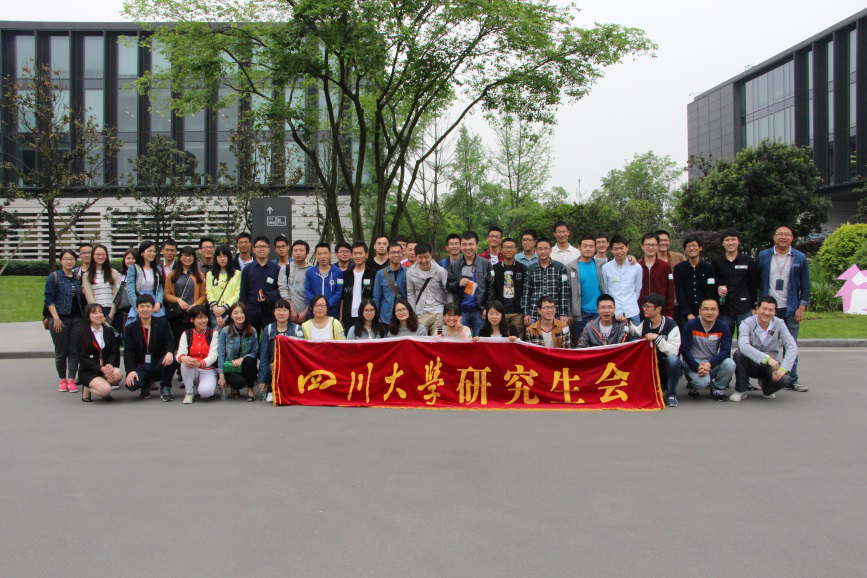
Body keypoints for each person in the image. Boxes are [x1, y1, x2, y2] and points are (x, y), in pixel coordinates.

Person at [756, 223, 810, 392]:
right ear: (774, 237)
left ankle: (792, 379)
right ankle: (763, 376)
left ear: (792, 238)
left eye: (787, 234)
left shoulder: (799, 257)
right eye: (780, 234)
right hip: (767, 309)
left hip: (790, 307)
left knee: (790, 344)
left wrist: (802, 306)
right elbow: (756, 280)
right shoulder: (764, 256)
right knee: (763, 344)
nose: (783, 237)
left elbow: (805, 283)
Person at [731, 296, 799, 401]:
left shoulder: (779, 323)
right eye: (764, 309)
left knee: (786, 379)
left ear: (775, 312)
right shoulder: (746, 323)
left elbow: (792, 346)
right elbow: (743, 346)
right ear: (757, 309)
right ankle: (740, 390)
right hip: (752, 363)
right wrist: (767, 358)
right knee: (738, 354)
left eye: (771, 310)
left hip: (771, 366)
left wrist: (783, 368)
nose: (767, 313)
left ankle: (766, 388)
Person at [626, 293, 682, 407]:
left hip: (666, 365)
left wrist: (657, 338)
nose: (644, 309)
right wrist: (625, 322)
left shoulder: (671, 325)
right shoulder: (646, 322)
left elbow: (674, 351)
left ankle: (671, 394)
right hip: (651, 365)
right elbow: (635, 331)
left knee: (673, 360)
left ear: (658, 309)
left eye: (648, 306)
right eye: (644, 306)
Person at [680, 297, 735, 401]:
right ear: (700, 311)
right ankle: (693, 384)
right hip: (693, 363)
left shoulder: (723, 326)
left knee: (730, 363)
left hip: (710, 363)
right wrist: (697, 367)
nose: (710, 312)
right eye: (706, 309)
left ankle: (717, 389)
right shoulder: (691, 325)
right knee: (702, 383)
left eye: (713, 309)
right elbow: (684, 349)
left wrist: (709, 364)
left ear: (718, 311)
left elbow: (725, 351)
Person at [45, 249, 84, 393]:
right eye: (66, 259)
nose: (69, 261)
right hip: (59, 318)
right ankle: (62, 379)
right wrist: (55, 318)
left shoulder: (77, 278)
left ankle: (72, 379)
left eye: (72, 259)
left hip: (77, 319)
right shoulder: (54, 277)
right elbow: (48, 299)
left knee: (74, 350)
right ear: (61, 261)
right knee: (61, 350)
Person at [123, 294, 175, 401]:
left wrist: (170, 352)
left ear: (153, 308)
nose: (145, 309)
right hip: (141, 365)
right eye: (142, 306)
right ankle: (145, 384)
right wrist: (130, 371)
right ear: (137, 308)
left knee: (172, 359)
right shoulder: (130, 328)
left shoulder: (162, 323)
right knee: (131, 385)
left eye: (148, 306)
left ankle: (165, 387)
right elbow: (128, 352)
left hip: (157, 363)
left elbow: (170, 342)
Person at [712, 228, 759, 338]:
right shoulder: (716, 262)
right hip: (724, 309)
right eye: (727, 240)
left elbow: (753, 285)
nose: (730, 243)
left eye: (733, 239)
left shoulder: (748, 261)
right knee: (724, 340)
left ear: (738, 241)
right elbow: (712, 283)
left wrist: (754, 306)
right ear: (722, 243)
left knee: (745, 340)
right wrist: (717, 288)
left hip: (744, 308)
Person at [445, 231, 491, 336]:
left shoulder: (485, 264)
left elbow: (491, 287)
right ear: (460, 246)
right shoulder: (454, 265)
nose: (468, 248)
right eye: (464, 244)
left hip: (479, 310)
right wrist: (458, 283)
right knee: (461, 340)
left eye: (471, 244)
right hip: (461, 311)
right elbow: (448, 287)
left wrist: (488, 307)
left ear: (477, 245)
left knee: (479, 340)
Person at [164, 246, 207, 358]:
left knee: (193, 342)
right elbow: (166, 294)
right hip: (177, 314)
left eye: (190, 255)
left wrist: (195, 305)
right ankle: (181, 365)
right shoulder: (172, 274)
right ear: (180, 257)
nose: (187, 258)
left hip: (193, 314)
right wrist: (178, 300)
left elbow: (204, 295)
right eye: (185, 255)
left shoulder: (199, 275)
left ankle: (193, 364)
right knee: (180, 343)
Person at [257, 299, 302, 402]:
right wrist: (262, 379)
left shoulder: (297, 329)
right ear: (274, 312)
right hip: (273, 366)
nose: (281, 313)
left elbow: (300, 354)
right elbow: (264, 355)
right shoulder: (268, 329)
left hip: (291, 365)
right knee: (272, 366)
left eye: (285, 310)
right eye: (278, 310)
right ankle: (271, 391)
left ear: (289, 313)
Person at [521, 237, 571, 327]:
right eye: (540, 249)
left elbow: (564, 291)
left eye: (545, 248)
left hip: (555, 314)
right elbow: (526, 293)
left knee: (557, 336)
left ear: (550, 250)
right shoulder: (530, 269)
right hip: (535, 314)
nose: (543, 251)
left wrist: (564, 313)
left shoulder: (560, 267)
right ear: (536, 251)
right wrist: (526, 313)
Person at [77, 303, 123, 401]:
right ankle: (87, 388)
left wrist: (110, 364)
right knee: (106, 390)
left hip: (105, 369)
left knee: (118, 373)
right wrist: (100, 368)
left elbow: (113, 351)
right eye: (95, 313)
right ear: (88, 317)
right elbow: (82, 358)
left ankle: (100, 384)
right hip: (89, 370)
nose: (99, 315)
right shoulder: (82, 333)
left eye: (101, 312)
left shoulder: (109, 331)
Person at [175, 306, 219, 404]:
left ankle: (206, 384)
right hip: (192, 369)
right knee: (184, 361)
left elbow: (213, 356)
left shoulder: (213, 333)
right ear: (192, 320)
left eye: (205, 317)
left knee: (206, 393)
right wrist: (183, 358)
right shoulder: (186, 334)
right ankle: (189, 392)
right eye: (200, 318)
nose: (204, 320)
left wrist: (199, 364)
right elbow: (179, 354)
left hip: (207, 369)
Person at [217, 302, 260, 401]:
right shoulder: (225, 331)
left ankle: (250, 390)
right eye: (235, 313)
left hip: (246, 366)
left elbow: (254, 352)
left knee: (249, 359)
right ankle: (233, 386)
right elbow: (221, 354)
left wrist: (242, 359)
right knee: (239, 382)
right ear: (231, 316)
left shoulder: (252, 331)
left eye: (242, 312)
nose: (239, 315)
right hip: (231, 367)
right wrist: (221, 376)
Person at [567, 235, 604, 344]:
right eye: (585, 246)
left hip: (598, 313)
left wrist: (630, 258)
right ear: (579, 247)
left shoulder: (601, 265)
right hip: (580, 314)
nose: (588, 249)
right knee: (580, 345)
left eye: (591, 246)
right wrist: (569, 312)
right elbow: (567, 292)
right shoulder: (571, 267)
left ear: (595, 248)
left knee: (598, 345)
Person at [240, 235, 281, 333]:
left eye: (264, 246)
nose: (262, 249)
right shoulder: (247, 269)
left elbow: (280, 290)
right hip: (251, 310)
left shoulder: (276, 269)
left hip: (270, 311)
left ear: (269, 250)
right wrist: (243, 310)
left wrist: (267, 297)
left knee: (271, 337)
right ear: (254, 249)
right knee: (250, 337)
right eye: (259, 247)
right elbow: (243, 292)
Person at [407, 242, 450, 336]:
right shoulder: (410, 272)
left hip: (439, 313)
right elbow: (411, 294)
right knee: (420, 339)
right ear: (416, 257)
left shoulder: (441, 271)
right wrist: (412, 313)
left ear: (431, 255)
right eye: (420, 257)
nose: (423, 260)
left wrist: (449, 311)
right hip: (421, 313)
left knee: (438, 338)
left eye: (426, 257)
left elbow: (448, 291)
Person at [673, 236, 717, 326]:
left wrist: (703, 312)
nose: (691, 248)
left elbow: (710, 290)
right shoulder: (679, 269)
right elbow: (679, 291)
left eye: (694, 245)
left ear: (700, 248)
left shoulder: (709, 268)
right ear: (685, 249)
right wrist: (688, 313)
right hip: (685, 313)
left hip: (704, 312)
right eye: (688, 246)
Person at [488, 237, 526, 337]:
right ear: (501, 250)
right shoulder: (495, 268)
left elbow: (525, 290)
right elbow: (492, 289)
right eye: (506, 247)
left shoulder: (522, 268)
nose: (509, 250)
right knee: (501, 339)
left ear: (516, 250)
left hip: (517, 312)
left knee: (517, 340)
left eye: (511, 247)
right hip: (500, 312)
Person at [600, 235, 642, 325]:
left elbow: (638, 289)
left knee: (636, 334)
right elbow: (606, 290)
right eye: (615, 249)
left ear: (627, 248)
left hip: (632, 312)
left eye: (621, 248)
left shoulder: (636, 267)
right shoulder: (606, 267)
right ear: (611, 250)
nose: (619, 251)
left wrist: (631, 302)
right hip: (614, 312)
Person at [340, 241, 377, 332]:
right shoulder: (345, 274)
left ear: (366, 254)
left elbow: (376, 296)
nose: (358, 256)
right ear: (351, 255)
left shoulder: (373, 273)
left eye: (360, 253)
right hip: (349, 316)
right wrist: (341, 317)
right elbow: (342, 298)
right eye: (355, 253)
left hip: (367, 316)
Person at [125, 240, 164, 324]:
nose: (152, 254)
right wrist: (138, 308)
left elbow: (160, 288)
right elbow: (130, 290)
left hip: (154, 303)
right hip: (139, 301)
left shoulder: (158, 269)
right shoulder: (134, 268)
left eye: (154, 251)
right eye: (149, 251)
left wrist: (158, 302)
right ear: (142, 252)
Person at [638, 233, 675, 319]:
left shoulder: (665, 266)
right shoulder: (637, 266)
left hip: (660, 313)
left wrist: (670, 313)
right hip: (640, 313)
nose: (650, 248)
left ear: (658, 246)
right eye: (648, 245)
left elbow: (670, 292)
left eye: (653, 245)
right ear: (642, 246)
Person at [82, 244, 121, 322]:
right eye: (97, 254)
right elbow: (89, 297)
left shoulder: (114, 273)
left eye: (103, 254)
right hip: (96, 311)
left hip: (113, 310)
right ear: (93, 256)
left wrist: (112, 313)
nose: (100, 257)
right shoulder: (87, 275)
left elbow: (117, 294)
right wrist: (98, 313)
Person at [304, 242, 343, 319]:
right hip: (314, 312)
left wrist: (326, 305)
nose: (323, 256)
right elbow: (307, 290)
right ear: (315, 255)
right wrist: (316, 305)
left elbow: (339, 291)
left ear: (330, 254)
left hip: (332, 311)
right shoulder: (310, 272)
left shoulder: (338, 272)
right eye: (319, 254)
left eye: (325, 253)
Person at [206, 245, 241, 329]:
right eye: (219, 256)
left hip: (231, 310)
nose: (222, 259)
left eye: (224, 256)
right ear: (216, 258)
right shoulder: (210, 274)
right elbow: (209, 292)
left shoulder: (237, 274)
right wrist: (216, 311)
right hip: (215, 311)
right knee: (216, 334)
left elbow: (237, 293)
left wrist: (225, 307)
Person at [278, 240, 312, 324]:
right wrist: (291, 310)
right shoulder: (285, 269)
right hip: (289, 313)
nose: (298, 253)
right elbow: (283, 290)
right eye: (295, 250)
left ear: (307, 253)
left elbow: (314, 293)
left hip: (309, 313)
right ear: (292, 253)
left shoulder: (312, 270)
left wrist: (305, 312)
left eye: (301, 250)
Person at [373, 242, 408, 325]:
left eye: (398, 252)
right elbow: (376, 297)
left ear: (402, 254)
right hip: (385, 316)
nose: (396, 255)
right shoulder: (380, 274)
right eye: (393, 252)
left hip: (403, 316)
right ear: (388, 254)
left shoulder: (408, 272)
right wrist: (376, 316)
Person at [112, 248, 137, 338]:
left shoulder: (139, 274)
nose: (131, 261)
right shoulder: (120, 275)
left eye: (133, 258)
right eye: (128, 258)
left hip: (135, 307)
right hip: (122, 308)